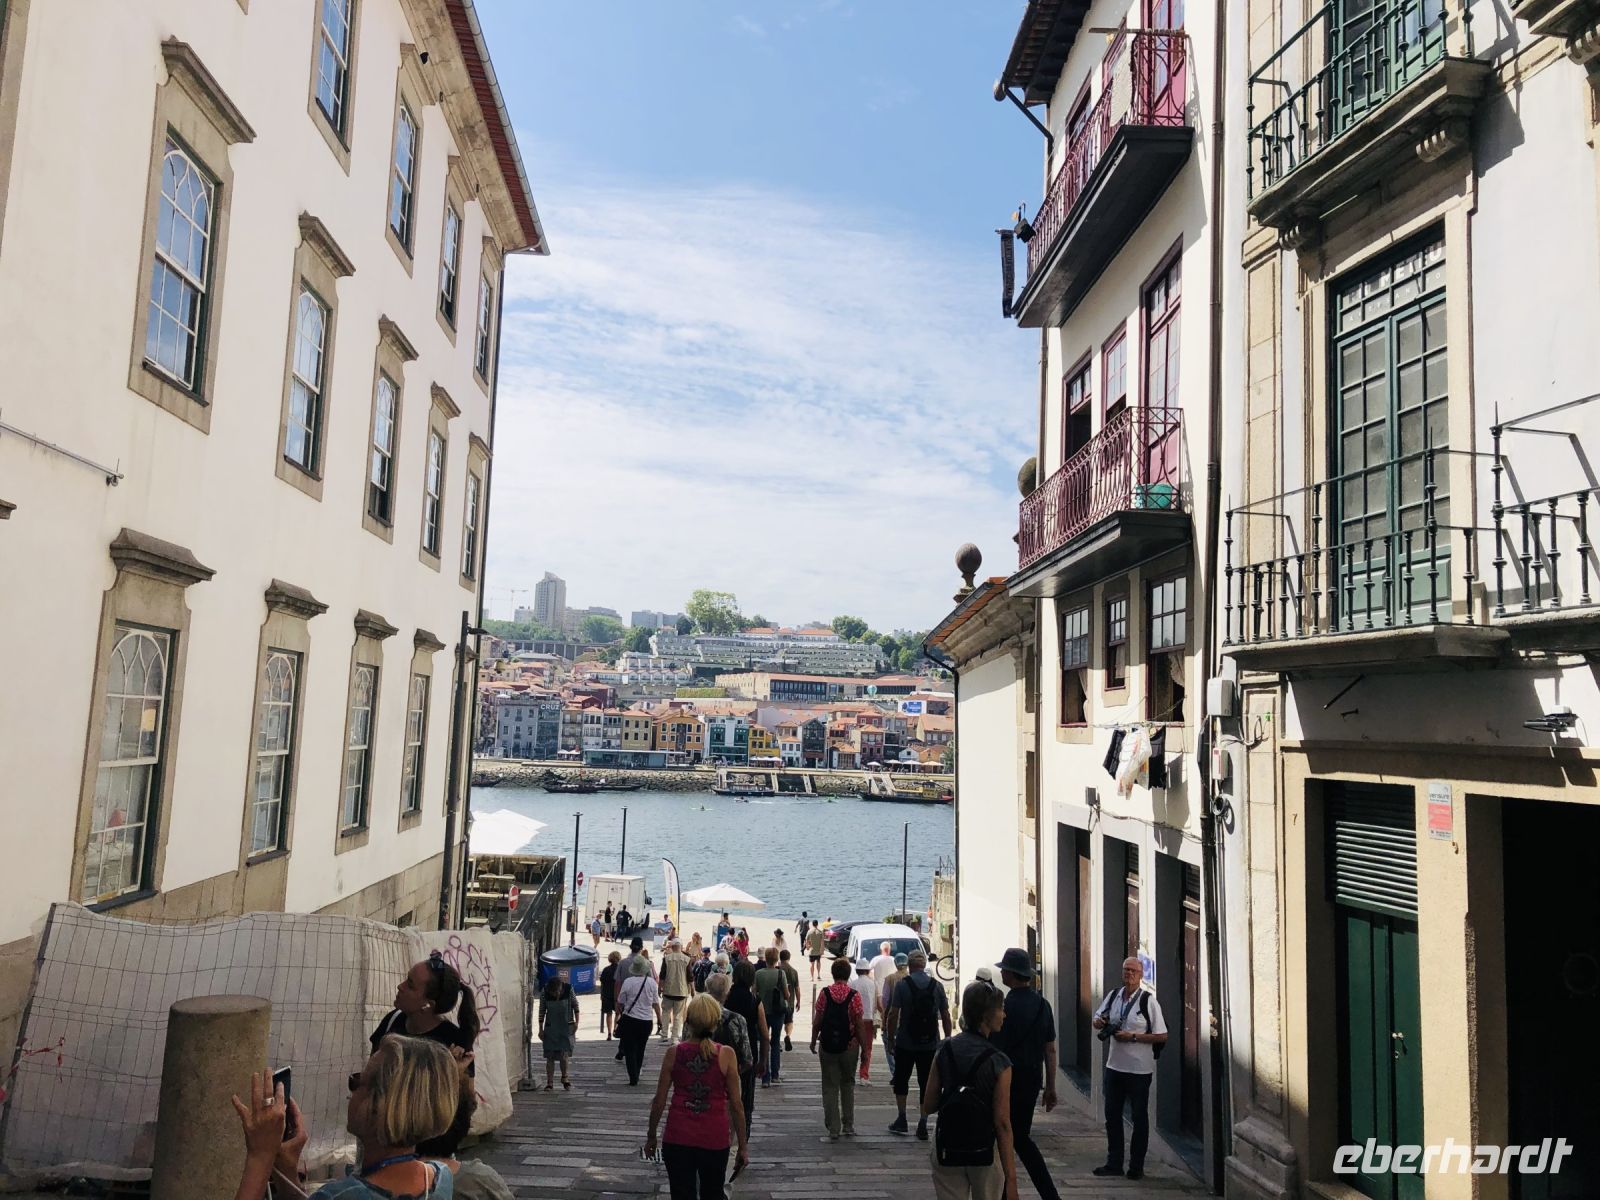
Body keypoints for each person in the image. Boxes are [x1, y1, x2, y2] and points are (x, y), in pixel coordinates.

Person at [231, 1036, 459, 1199]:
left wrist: (260, 1156)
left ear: (380, 1106)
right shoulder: (440, 1177)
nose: (351, 1090)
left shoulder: (340, 1195)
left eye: (358, 1081)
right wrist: (285, 1169)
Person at [370, 950, 479, 1156]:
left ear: (428, 1004)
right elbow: (371, 1074)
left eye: (410, 984)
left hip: (429, 1150)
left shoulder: (453, 1044)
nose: (400, 986)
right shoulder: (392, 1021)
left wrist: (452, 1074)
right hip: (383, 1139)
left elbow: (466, 1106)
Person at [645, 994, 750, 1199]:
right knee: (713, 1192)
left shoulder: (674, 1053)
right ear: (715, 1022)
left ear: (689, 1021)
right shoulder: (726, 1055)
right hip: (714, 1138)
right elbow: (737, 1105)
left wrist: (651, 1136)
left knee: (681, 1194)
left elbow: (659, 1101)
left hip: (678, 1136)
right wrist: (743, 1147)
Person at [922, 982, 1019, 1200]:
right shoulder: (1000, 1062)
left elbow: (928, 1105)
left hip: (947, 1146)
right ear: (987, 1015)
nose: (1004, 1015)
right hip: (984, 1150)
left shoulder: (944, 1049)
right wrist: (1011, 1179)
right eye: (1001, 1009)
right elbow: (1002, 1123)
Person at [989, 949, 1059, 1200]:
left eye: (1003, 970)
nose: (1000, 972)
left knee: (1002, 1136)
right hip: (1031, 1081)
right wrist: (1050, 1086)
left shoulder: (1002, 1007)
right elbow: (1050, 1049)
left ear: (1010, 974)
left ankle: (1007, 1192)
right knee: (1020, 1136)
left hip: (1004, 1080)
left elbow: (992, 1048)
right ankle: (1048, 1194)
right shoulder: (1043, 1005)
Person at [1092, 956, 1167, 1181]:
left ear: (1141, 975)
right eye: (1126, 970)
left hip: (1139, 1071)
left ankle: (1136, 1166)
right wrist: (1099, 1022)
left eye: (1133, 971)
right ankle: (1114, 1162)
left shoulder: (1148, 1001)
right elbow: (1098, 1017)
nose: (1129, 974)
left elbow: (1162, 1035)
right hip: (1114, 1066)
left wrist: (1133, 1036)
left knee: (1138, 1117)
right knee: (1112, 1115)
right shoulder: (1113, 996)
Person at [884, 948, 953, 1138]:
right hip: (930, 1043)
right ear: (923, 965)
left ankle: (902, 1118)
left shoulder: (902, 985)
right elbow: (946, 1015)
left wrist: (890, 1039)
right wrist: (947, 1039)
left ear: (910, 965)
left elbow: (893, 1014)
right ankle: (923, 1122)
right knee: (927, 1083)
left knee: (901, 1080)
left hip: (906, 1042)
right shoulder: (936, 985)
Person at [810, 957, 867, 1141]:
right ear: (848, 974)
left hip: (827, 1046)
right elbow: (859, 1024)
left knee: (829, 1085)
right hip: (849, 1046)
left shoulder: (825, 994)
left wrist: (813, 1040)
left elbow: (817, 1020)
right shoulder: (854, 995)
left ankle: (833, 1127)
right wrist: (864, 1048)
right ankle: (848, 1125)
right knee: (848, 1083)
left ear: (833, 974)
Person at [724, 960, 768, 1136]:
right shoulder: (755, 1001)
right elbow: (765, 1035)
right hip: (747, 1056)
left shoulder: (725, 998)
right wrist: (763, 1061)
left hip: (725, 1053)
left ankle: (723, 1130)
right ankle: (743, 1134)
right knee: (746, 1098)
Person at [616, 956, 663, 1085]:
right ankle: (637, 1071)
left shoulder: (628, 982)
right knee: (641, 1048)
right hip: (646, 1021)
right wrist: (659, 1019)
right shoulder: (652, 983)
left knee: (630, 1049)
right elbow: (655, 1003)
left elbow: (621, 1001)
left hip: (630, 1020)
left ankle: (633, 1076)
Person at [704, 972, 753, 1080]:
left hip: (697, 1081)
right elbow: (747, 1060)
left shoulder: (693, 1017)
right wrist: (732, 1074)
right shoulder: (737, 1020)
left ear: (707, 990)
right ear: (727, 993)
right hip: (726, 1080)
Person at [753, 948, 790, 1086]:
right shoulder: (781, 973)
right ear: (776, 959)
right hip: (777, 1012)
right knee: (775, 1042)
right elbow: (786, 995)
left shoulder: (758, 974)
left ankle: (765, 1077)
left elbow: (754, 992)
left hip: (762, 1011)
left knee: (763, 1043)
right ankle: (775, 1074)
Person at [538, 975, 579, 1091]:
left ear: (561, 988)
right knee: (549, 1056)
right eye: (553, 992)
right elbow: (541, 1010)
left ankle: (565, 1078)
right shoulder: (544, 992)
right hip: (551, 1028)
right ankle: (549, 1082)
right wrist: (540, 1029)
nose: (556, 995)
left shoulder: (569, 989)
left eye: (558, 992)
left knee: (564, 1054)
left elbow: (575, 1006)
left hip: (566, 1026)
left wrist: (576, 1023)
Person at [849, 958, 879, 1084]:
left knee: (852, 1048)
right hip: (869, 1020)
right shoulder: (873, 984)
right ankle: (864, 1075)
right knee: (867, 1049)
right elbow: (877, 1004)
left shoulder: (852, 984)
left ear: (857, 970)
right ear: (867, 970)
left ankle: (850, 1074)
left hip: (854, 1020)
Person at [880, 952, 910, 1078]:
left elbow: (885, 1001)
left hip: (892, 1018)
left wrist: (883, 1019)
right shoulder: (910, 979)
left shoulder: (889, 978)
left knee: (889, 1046)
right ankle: (903, 1071)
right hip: (908, 1020)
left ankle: (895, 1072)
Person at [660, 938, 693, 1043]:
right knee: (678, 1015)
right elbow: (690, 977)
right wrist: (693, 989)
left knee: (665, 1012)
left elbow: (662, 975)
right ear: (681, 947)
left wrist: (659, 987)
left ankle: (664, 1035)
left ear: (672, 947)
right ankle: (674, 1037)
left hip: (668, 990)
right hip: (681, 991)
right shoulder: (687, 959)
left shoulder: (666, 958)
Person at [778, 949, 800, 1052]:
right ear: (789, 958)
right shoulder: (794, 971)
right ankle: (787, 1035)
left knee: (778, 1022)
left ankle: (778, 1043)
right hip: (790, 1002)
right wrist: (798, 1001)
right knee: (789, 1021)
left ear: (780, 958)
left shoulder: (777, 970)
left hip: (778, 1002)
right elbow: (797, 988)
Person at [599, 950, 621, 1039]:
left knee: (608, 1014)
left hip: (607, 994)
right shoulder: (620, 970)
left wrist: (602, 994)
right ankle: (615, 1030)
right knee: (617, 1013)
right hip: (617, 995)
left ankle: (609, 1033)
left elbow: (602, 983)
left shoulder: (606, 970)